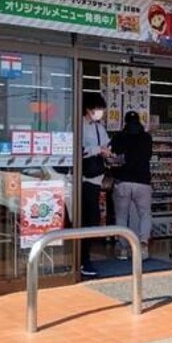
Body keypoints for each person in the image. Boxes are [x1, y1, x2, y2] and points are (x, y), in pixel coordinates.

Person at [110, 111, 153, 261]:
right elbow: (147, 156)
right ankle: (142, 247)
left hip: (123, 181)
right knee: (144, 215)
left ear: (125, 122)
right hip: (143, 182)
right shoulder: (147, 137)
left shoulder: (118, 137)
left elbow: (111, 157)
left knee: (121, 216)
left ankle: (122, 249)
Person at [80, 92, 111, 276]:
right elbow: (78, 150)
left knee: (92, 220)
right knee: (87, 220)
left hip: (97, 179)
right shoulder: (78, 126)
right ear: (88, 109)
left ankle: (86, 258)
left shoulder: (100, 128)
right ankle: (83, 260)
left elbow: (107, 144)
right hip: (84, 180)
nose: (100, 113)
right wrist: (97, 149)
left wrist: (109, 151)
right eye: (97, 109)